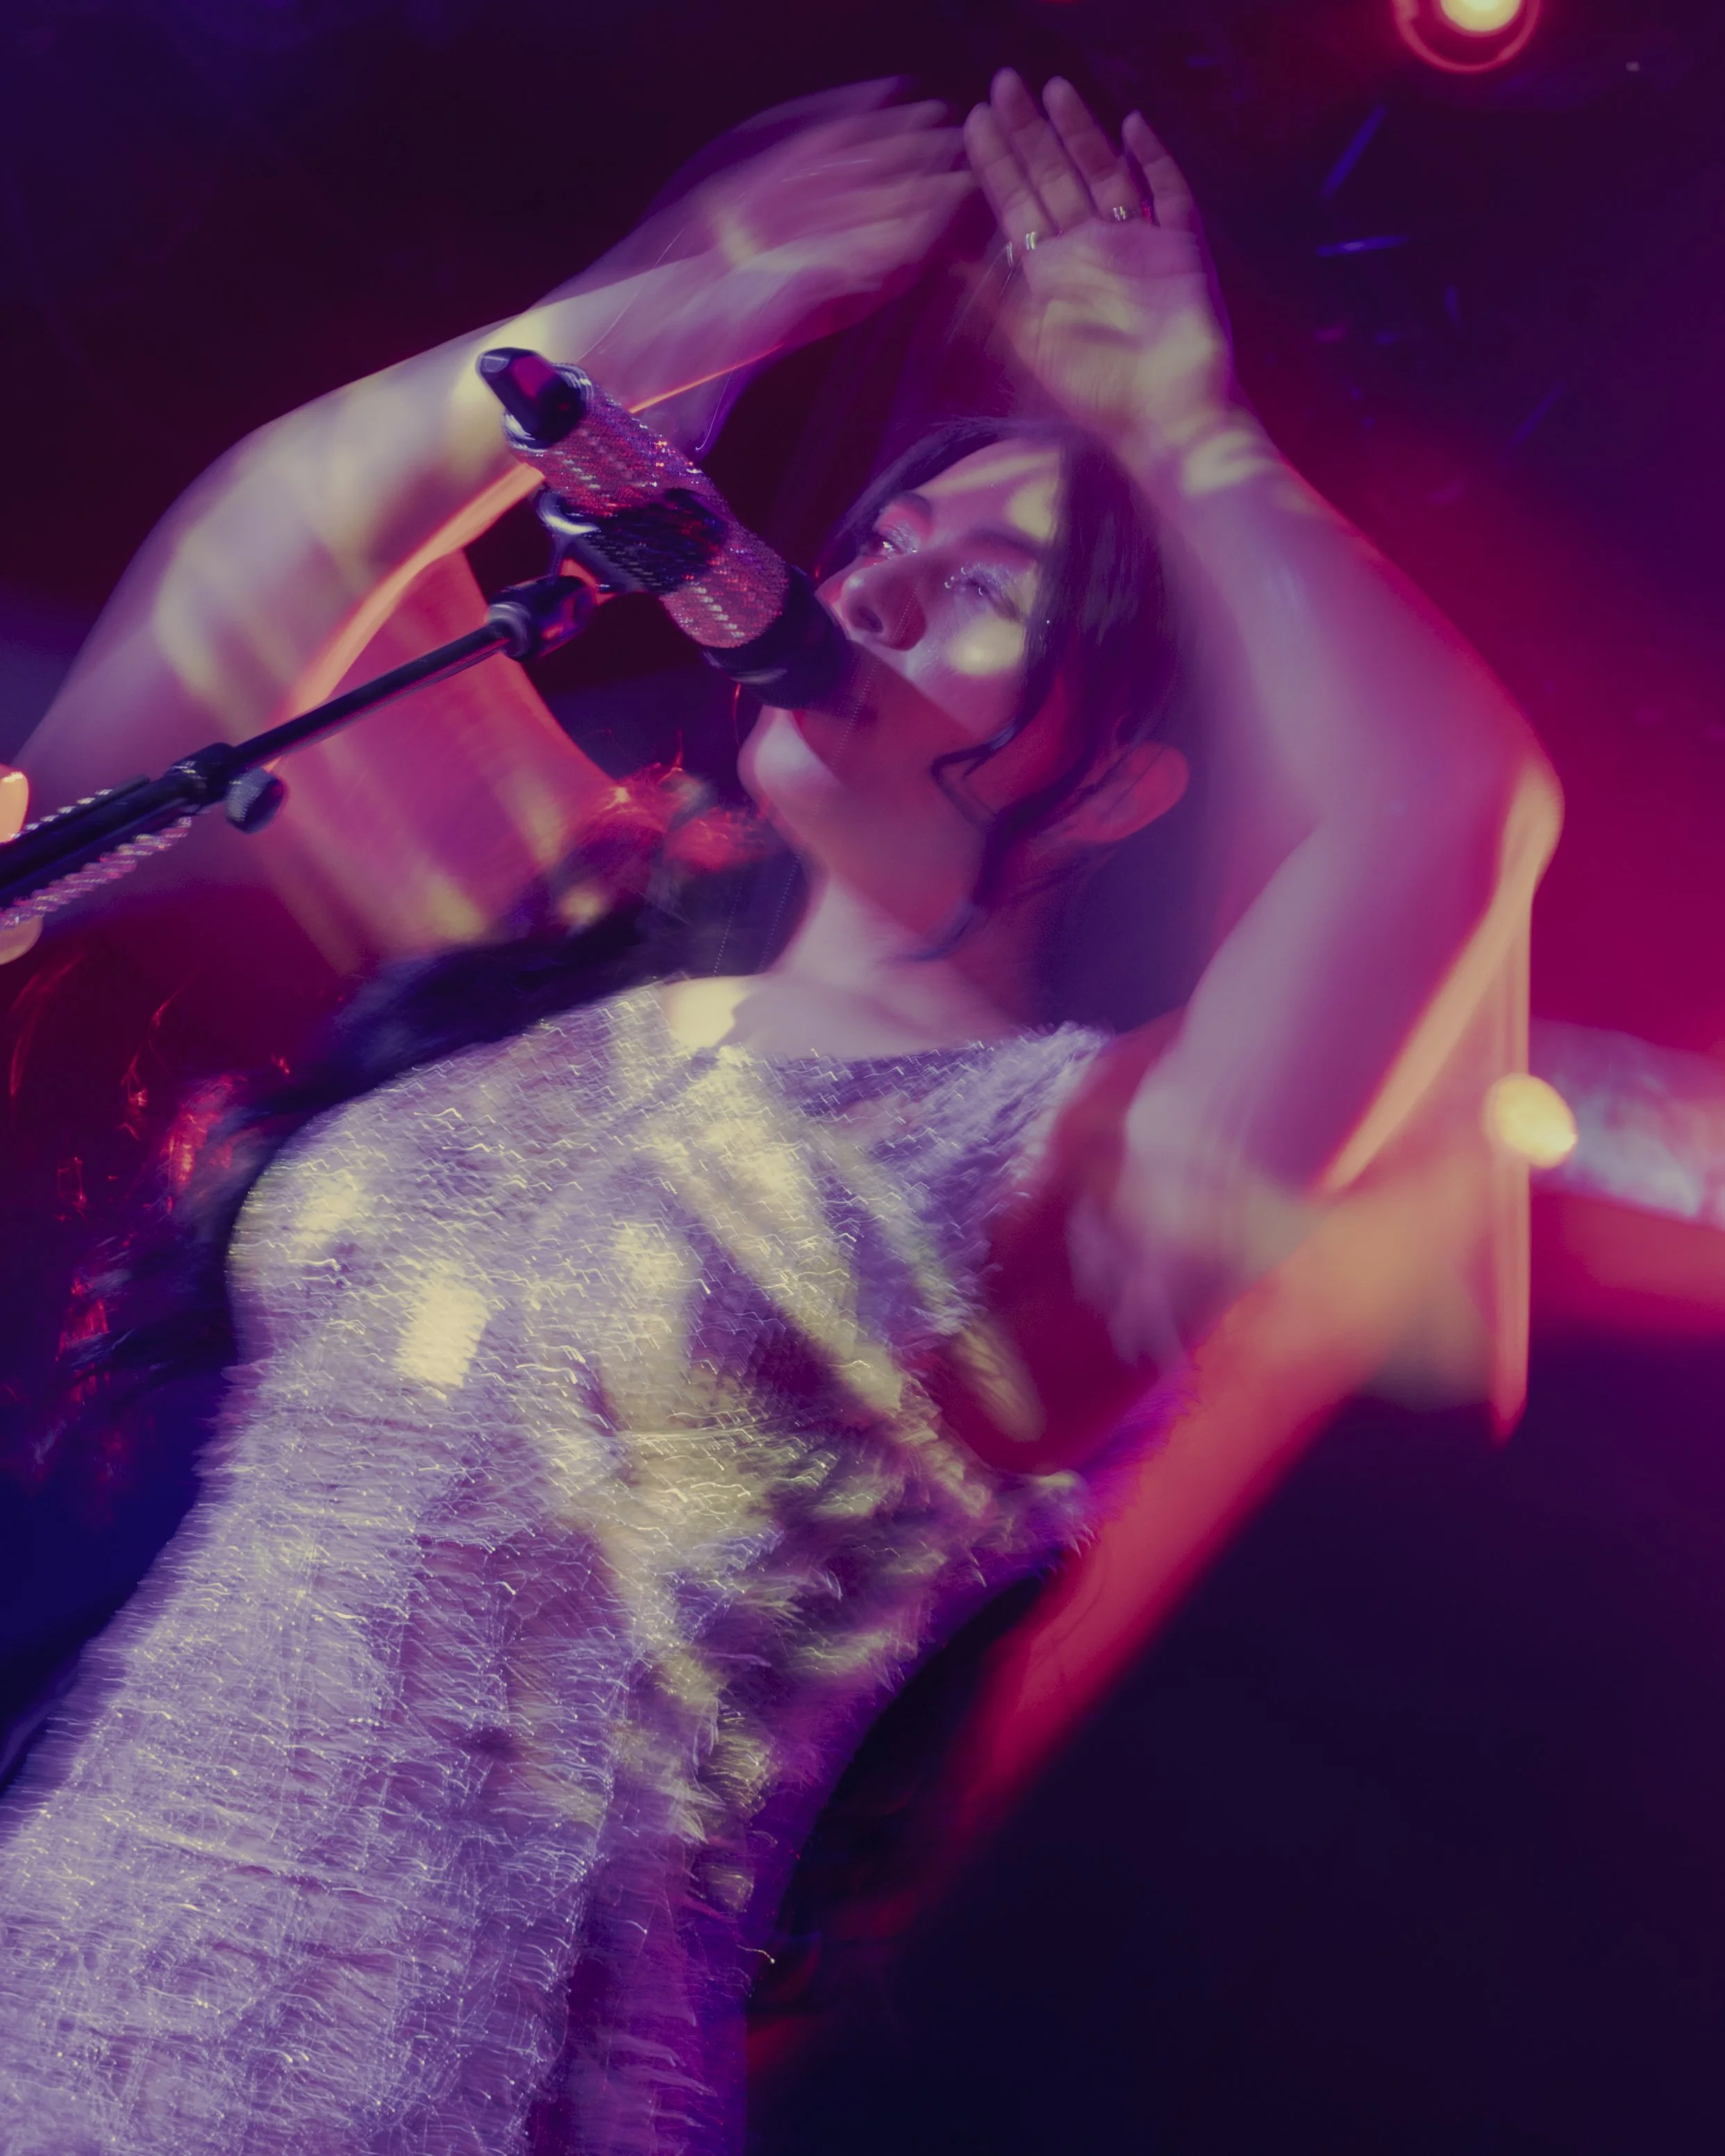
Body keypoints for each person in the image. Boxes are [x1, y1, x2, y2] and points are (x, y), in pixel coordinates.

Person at [0, 68, 1553, 2155]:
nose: (887, 588)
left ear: (1106, 783)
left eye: (985, 591)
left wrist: (1182, 426)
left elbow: (1439, 812)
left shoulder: (1079, 1178)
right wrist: (655, 311)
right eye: (888, 537)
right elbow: (228, 612)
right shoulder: (556, 946)